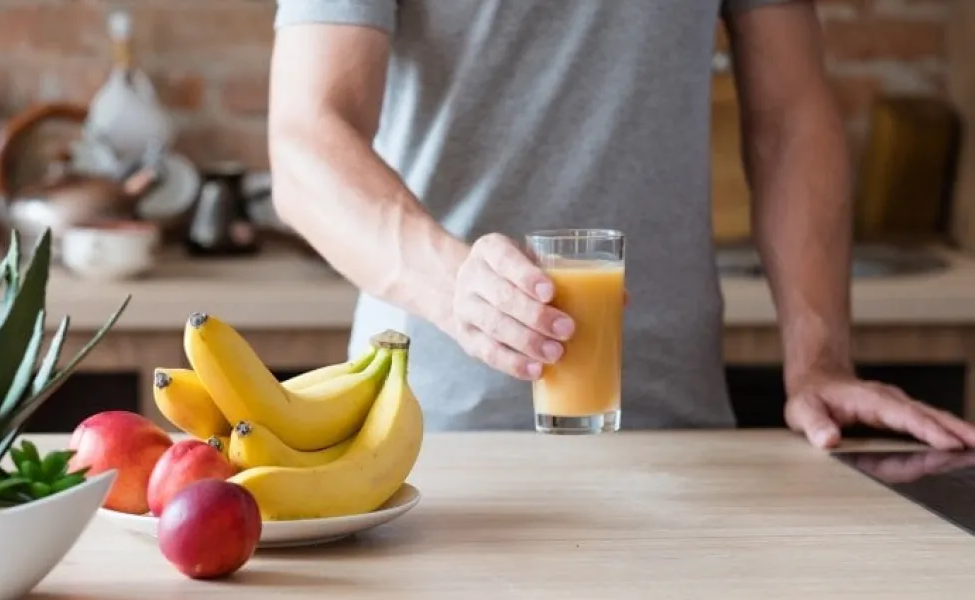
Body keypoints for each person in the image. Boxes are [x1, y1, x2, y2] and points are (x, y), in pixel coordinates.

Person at [265, 0, 975, 449]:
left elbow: (791, 115)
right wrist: (459, 287)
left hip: (682, 435)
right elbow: (305, 139)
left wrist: (820, 360)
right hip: (430, 440)